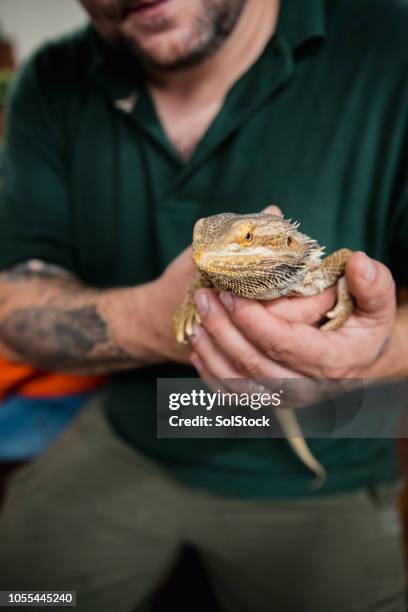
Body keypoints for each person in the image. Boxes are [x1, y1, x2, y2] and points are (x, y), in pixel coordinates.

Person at [0, 0, 407, 610]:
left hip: (335, 452)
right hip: (134, 424)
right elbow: (11, 303)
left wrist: (360, 349)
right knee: (29, 596)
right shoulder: (51, 78)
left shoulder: (392, 44)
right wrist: (165, 320)